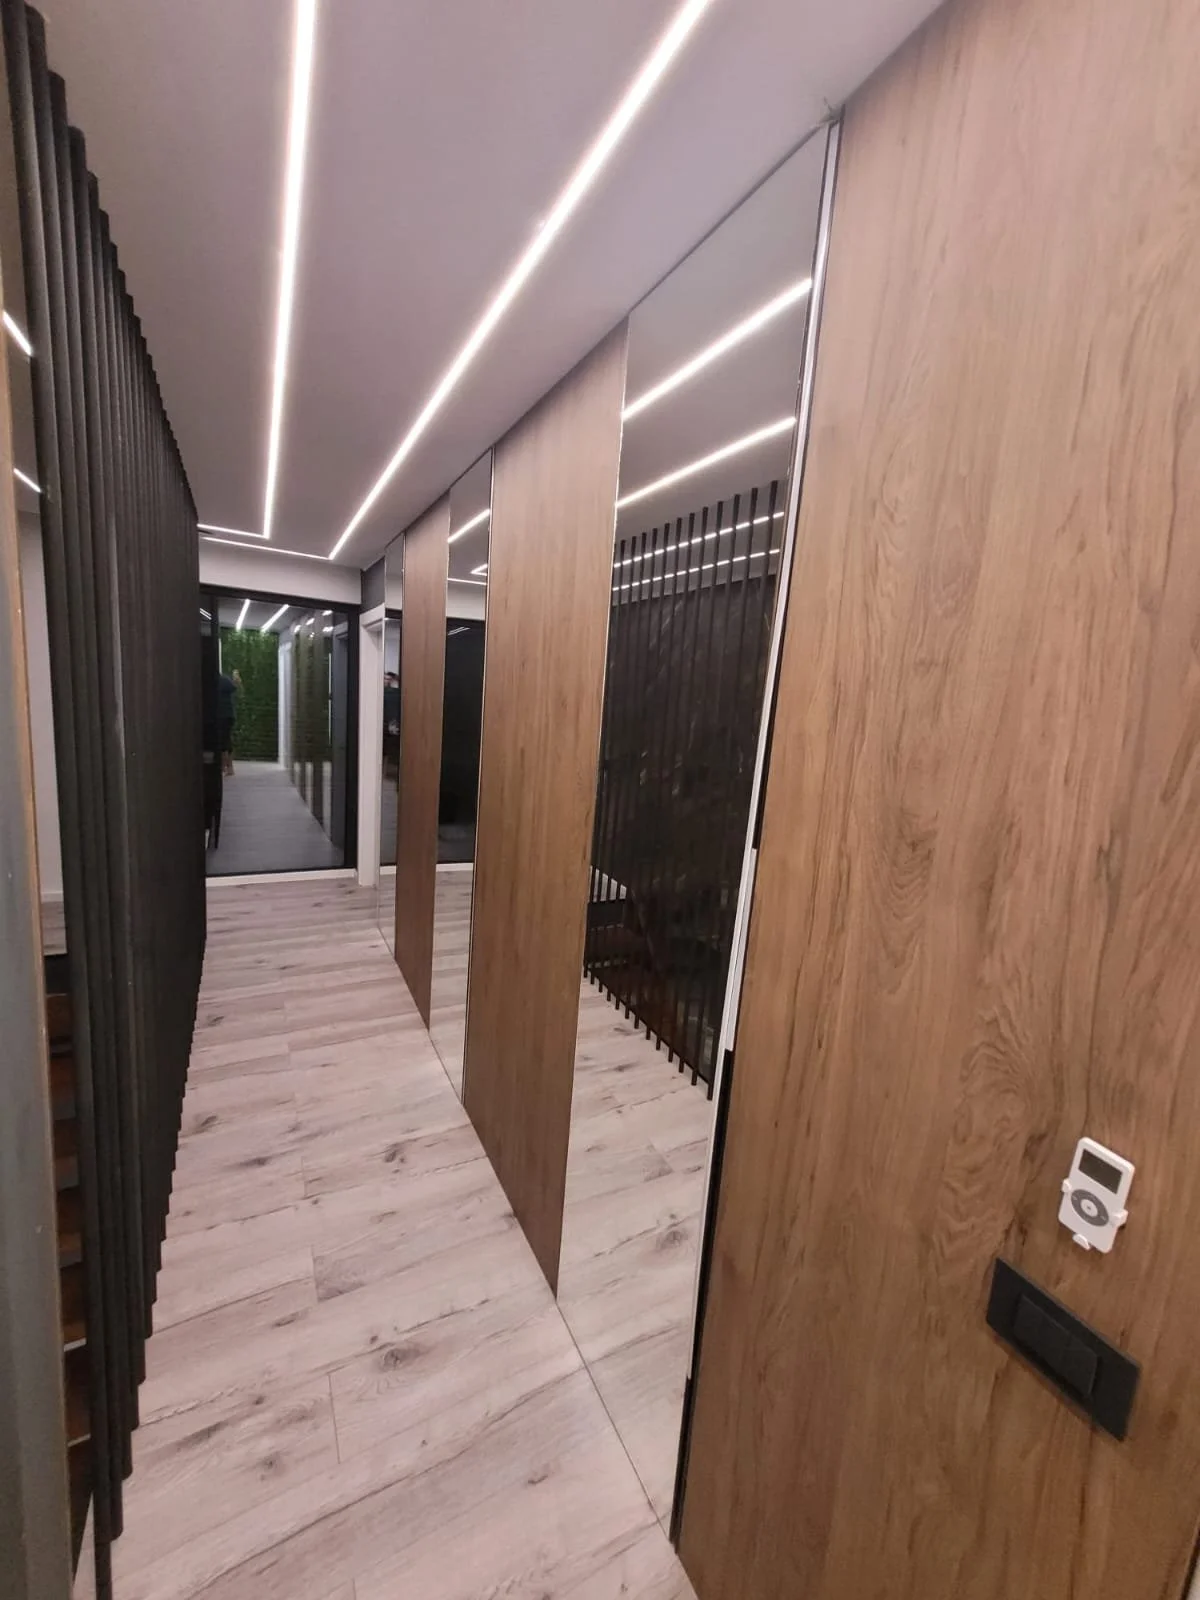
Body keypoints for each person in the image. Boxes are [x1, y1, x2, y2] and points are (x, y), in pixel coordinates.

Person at [218, 669, 239, 776]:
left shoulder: (218, 681)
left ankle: (227, 767)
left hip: (222, 716)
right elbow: (234, 687)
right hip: (228, 716)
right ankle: (227, 767)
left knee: (223, 742)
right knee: (226, 740)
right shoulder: (225, 680)